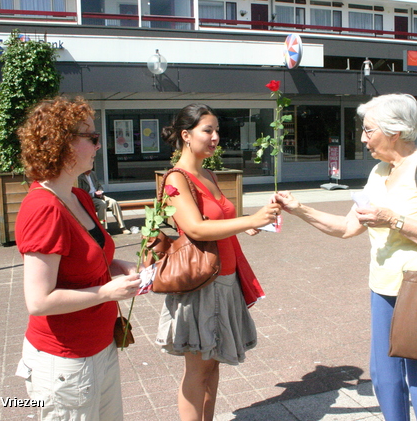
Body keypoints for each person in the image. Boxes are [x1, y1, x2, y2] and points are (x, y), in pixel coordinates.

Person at [273, 93, 417, 421]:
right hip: (383, 291)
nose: (362, 138)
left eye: (368, 130)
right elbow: (348, 227)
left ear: (395, 130)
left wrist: (394, 220)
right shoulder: (378, 172)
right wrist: (299, 209)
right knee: (386, 380)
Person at [14, 97, 141, 420]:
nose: (99, 145)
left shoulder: (78, 196)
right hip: (65, 362)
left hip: (100, 347)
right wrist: (108, 292)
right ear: (64, 143)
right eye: (92, 138)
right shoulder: (44, 208)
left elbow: (90, 257)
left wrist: (120, 266)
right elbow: (39, 301)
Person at [155, 104, 281, 421]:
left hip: (224, 280)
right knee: (197, 371)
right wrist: (247, 220)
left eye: (217, 131)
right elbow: (195, 227)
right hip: (199, 284)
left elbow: (218, 219)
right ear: (186, 135)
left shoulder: (207, 174)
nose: (215, 137)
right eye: (207, 130)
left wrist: (248, 223)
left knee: (211, 367)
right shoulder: (176, 179)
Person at [77, 169, 131, 234]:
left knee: (114, 202)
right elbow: (81, 192)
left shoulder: (93, 174)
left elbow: (99, 185)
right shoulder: (79, 177)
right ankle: (103, 229)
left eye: (90, 168)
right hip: (89, 198)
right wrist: (94, 194)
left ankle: (123, 227)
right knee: (102, 204)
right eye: (88, 169)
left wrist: (100, 191)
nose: (90, 170)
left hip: (99, 196)